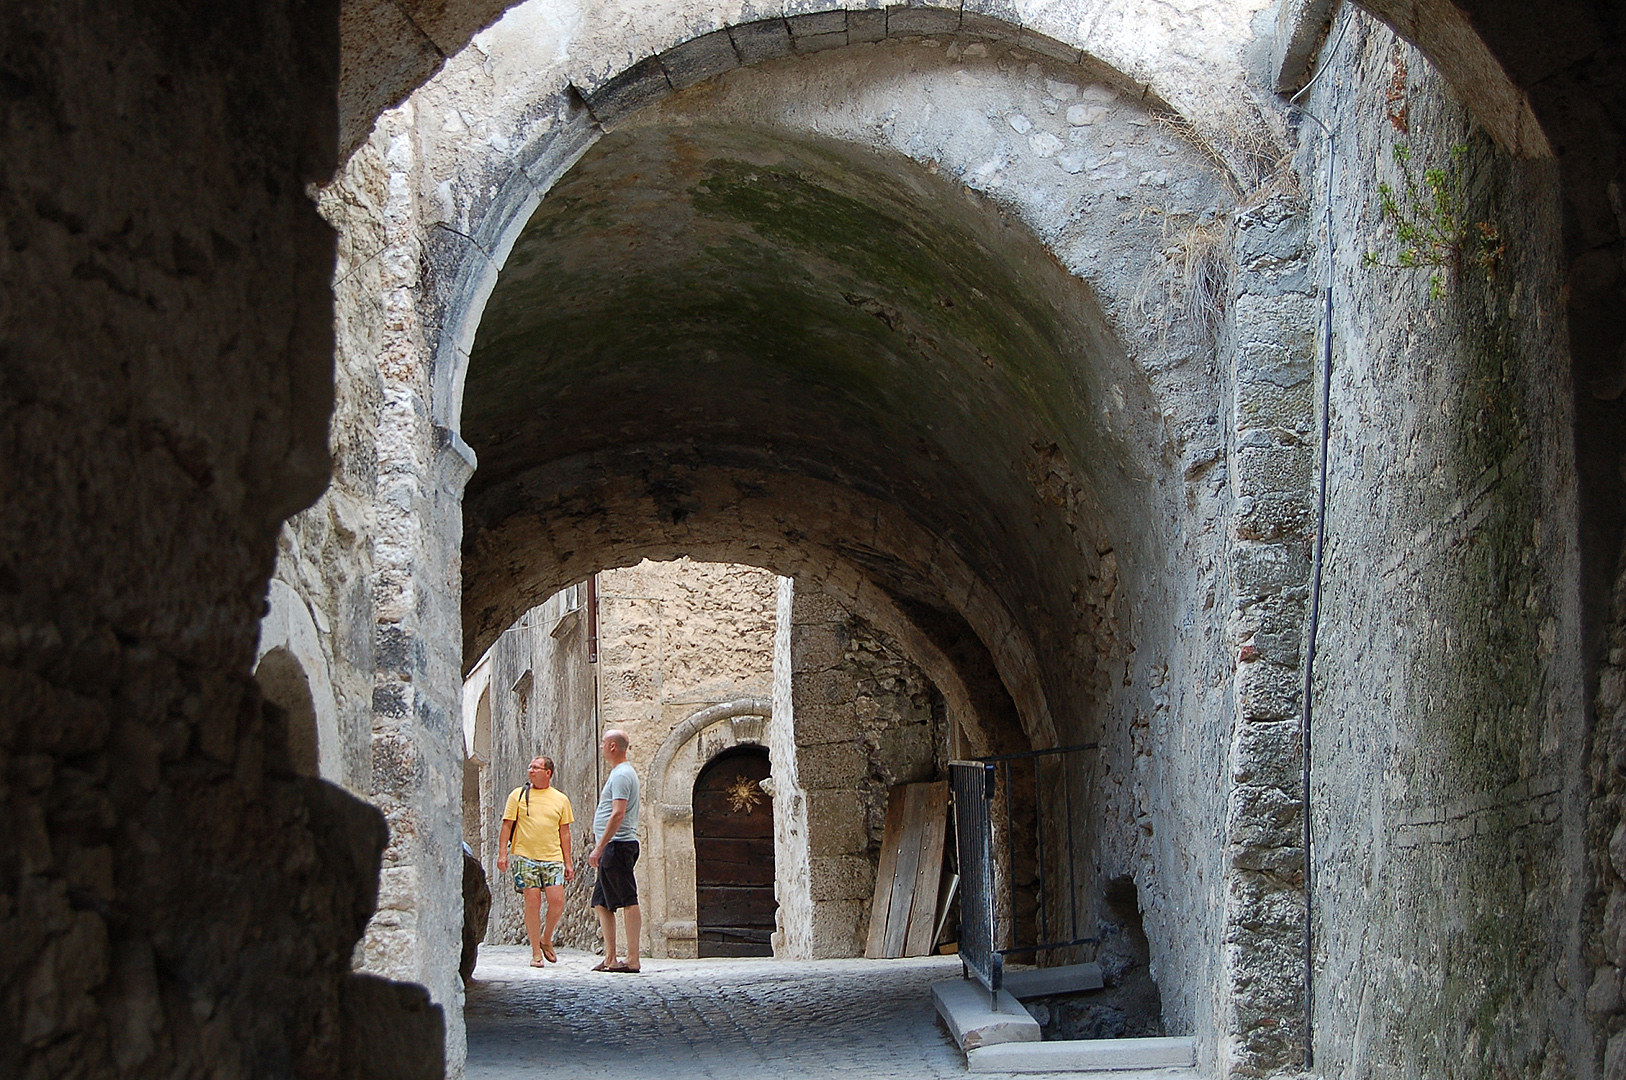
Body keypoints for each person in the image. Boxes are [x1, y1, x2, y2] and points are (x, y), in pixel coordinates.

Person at [496, 756, 574, 967]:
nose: (531, 770)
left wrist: (568, 862)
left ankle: (546, 938)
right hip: (525, 856)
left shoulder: (560, 799)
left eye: (536, 768)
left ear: (547, 773)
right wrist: (503, 853)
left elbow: (564, 832)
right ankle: (535, 952)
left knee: (557, 902)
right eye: (530, 767)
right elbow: (507, 825)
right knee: (532, 903)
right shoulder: (518, 795)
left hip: (553, 857)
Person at [588, 729, 641, 972]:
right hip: (612, 846)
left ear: (611, 746)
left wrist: (600, 847)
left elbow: (618, 813)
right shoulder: (618, 773)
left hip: (617, 845)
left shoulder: (621, 775)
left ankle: (633, 959)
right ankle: (610, 957)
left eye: (602, 743)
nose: (600, 746)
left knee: (628, 900)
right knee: (601, 901)